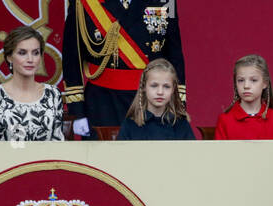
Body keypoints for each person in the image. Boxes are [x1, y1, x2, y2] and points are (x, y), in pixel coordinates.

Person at [62, 0, 185, 137]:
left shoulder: (165, 1)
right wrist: (77, 112)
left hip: (151, 101)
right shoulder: (84, 3)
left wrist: (178, 105)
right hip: (102, 103)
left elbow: (175, 56)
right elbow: (72, 59)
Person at [0, 27, 64, 142]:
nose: (30, 59)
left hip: (46, 160)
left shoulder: (53, 94)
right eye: (22, 53)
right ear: (9, 57)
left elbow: (58, 143)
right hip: (6, 159)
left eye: (35, 53)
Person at [213, 54, 273, 141]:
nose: (246, 86)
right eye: (241, 80)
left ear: (265, 83)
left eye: (253, 80)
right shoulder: (225, 120)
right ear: (235, 84)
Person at [117, 60, 194, 141]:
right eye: (154, 85)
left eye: (166, 86)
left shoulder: (181, 124)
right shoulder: (130, 125)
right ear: (143, 87)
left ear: (173, 89)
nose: (160, 92)